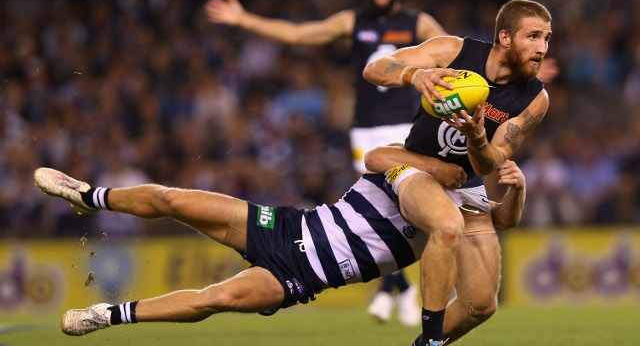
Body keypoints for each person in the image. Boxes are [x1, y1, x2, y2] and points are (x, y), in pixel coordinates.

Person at [33, 149, 525, 346]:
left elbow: (500, 220)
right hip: (286, 226)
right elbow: (376, 158)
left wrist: (516, 188)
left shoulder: (463, 202)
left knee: (215, 299)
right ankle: (88, 195)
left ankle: (107, 315)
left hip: (302, 276)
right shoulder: (406, 168)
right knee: (170, 198)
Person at [205, 0, 445, 326]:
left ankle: (392, 290)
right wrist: (244, 19)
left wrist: (512, 72)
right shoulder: (352, 21)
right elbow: (300, 34)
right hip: (366, 132)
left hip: (406, 130)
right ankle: (400, 288)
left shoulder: (418, 22)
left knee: (411, 204)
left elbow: (455, 54)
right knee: (380, 208)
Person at [362, 0, 552, 345]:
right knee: (446, 226)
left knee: (481, 305)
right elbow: (375, 69)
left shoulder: (534, 99)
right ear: (506, 37)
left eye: (546, 39)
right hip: (414, 166)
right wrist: (414, 75)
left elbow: (491, 162)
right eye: (534, 37)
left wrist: (477, 137)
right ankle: (431, 334)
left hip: (466, 183)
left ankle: (423, 344)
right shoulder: (453, 51)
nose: (541, 48)